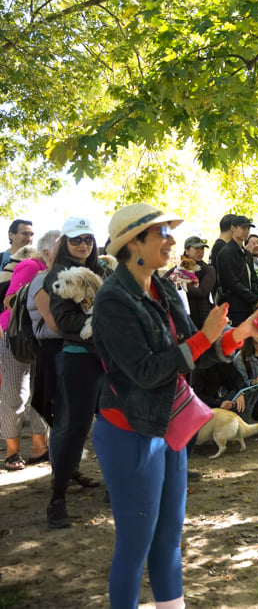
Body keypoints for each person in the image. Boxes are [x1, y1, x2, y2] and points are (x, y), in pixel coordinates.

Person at [91, 202, 258, 609]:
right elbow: (147, 371)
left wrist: (238, 333)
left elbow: (196, 351)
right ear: (133, 242)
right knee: (135, 543)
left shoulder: (163, 287)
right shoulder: (113, 300)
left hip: (170, 426)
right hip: (129, 430)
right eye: (162, 233)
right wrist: (205, 338)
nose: (172, 241)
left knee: (170, 537)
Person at [44, 217, 113, 529]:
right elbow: (63, 321)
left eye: (87, 238)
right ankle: (57, 499)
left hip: (110, 359)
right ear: (65, 243)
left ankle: (115, 486)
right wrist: (101, 330)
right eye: (76, 239)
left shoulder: (102, 269)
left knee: (113, 425)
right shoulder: (58, 276)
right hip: (79, 358)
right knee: (77, 427)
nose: (83, 244)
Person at [1, 230, 57, 472]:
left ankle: (39, 447)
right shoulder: (30, 265)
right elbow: (10, 299)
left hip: (41, 339)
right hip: (17, 337)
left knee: (41, 391)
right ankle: (12, 452)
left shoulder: (61, 273)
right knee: (15, 391)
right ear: (46, 251)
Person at [214, 215, 258, 324]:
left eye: (248, 228)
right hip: (234, 307)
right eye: (243, 228)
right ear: (233, 228)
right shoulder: (225, 253)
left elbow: (253, 279)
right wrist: (255, 300)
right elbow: (232, 282)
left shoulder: (246, 253)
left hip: (249, 305)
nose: (246, 231)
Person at [165, 236, 217, 329]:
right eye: (196, 248)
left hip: (202, 316)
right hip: (182, 316)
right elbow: (164, 283)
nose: (200, 251)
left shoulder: (208, 269)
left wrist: (181, 285)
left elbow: (202, 292)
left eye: (202, 249)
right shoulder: (178, 269)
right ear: (186, 251)